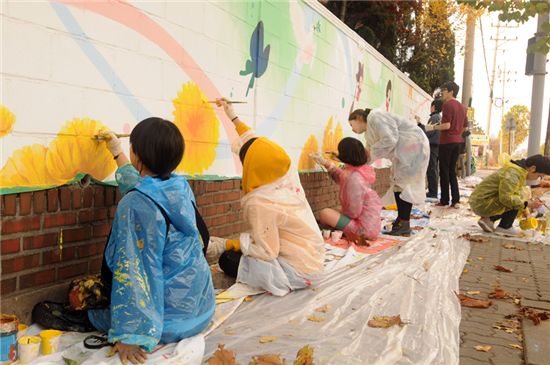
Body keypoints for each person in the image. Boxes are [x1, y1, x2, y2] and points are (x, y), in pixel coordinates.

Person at [34, 118, 216, 365]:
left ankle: (104, 321)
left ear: (138, 154)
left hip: (167, 321)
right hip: (200, 310)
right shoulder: (177, 186)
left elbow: (134, 269)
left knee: (55, 306)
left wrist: (130, 334)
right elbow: (140, 184)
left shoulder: (135, 205)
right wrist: (115, 150)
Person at [207, 98, 325, 296]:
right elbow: (255, 143)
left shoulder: (259, 202)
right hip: (313, 261)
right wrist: (231, 115)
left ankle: (274, 278)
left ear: (251, 167)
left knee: (227, 259)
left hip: (297, 272)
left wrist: (228, 244)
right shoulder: (282, 179)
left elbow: (267, 252)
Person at [348, 108, 429, 236]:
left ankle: (404, 225)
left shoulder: (375, 116)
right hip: (404, 151)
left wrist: (368, 155)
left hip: (413, 146)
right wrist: (356, 166)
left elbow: (390, 139)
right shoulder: (369, 133)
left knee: (404, 185)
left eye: (352, 125)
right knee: (398, 184)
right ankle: (402, 220)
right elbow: (368, 156)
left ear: (358, 118)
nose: (352, 129)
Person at [311, 137, 382, 241]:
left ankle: (342, 233)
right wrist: (324, 162)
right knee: (332, 213)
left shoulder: (354, 178)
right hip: (368, 225)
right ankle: (340, 231)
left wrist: (341, 214)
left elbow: (354, 213)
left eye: (340, 152)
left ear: (345, 155)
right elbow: (341, 176)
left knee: (324, 213)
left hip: (363, 230)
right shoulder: (356, 171)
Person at [469, 154, 550, 235]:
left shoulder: (518, 171)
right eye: (539, 176)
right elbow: (506, 198)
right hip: (481, 203)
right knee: (518, 199)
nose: (537, 179)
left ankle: (489, 219)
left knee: (521, 197)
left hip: (484, 200)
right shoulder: (513, 174)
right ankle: (505, 226)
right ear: (533, 168)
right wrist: (528, 204)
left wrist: (527, 213)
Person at [425, 81, 468, 208]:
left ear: (451, 92)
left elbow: (447, 125)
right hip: (458, 142)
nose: (442, 93)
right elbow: (465, 127)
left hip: (447, 142)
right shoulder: (463, 107)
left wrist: (432, 127)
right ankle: (455, 200)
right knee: (451, 171)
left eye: (444, 90)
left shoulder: (448, 105)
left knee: (444, 171)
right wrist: (456, 134)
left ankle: (444, 200)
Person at [422, 99, 443, 199]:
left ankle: (432, 192)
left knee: (431, 169)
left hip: (432, 145)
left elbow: (428, 131)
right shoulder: (438, 117)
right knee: (433, 168)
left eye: (431, 106)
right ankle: (433, 191)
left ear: (434, 107)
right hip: (437, 146)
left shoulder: (434, 117)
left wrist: (420, 127)